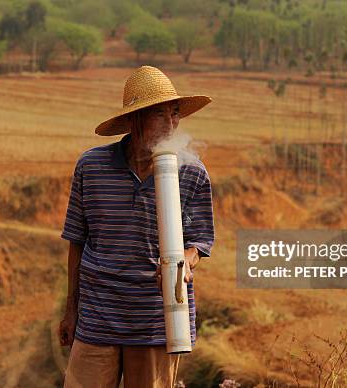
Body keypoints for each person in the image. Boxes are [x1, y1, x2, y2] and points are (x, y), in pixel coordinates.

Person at [58, 65, 215, 388]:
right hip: (97, 318)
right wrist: (71, 309)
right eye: (160, 115)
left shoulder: (192, 173)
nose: (171, 124)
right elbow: (77, 241)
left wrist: (185, 260)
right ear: (133, 120)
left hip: (158, 322)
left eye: (175, 114)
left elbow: (199, 242)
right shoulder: (92, 166)